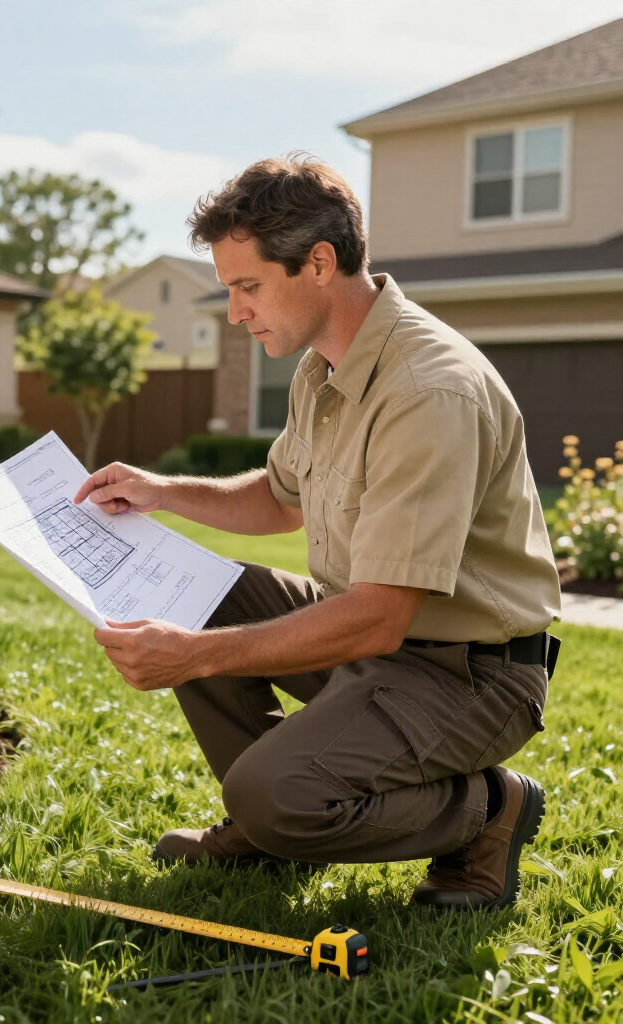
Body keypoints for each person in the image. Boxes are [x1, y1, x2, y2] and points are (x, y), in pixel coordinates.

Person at [73, 155, 561, 910]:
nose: (236, 311)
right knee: (212, 594)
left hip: (471, 673)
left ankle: (488, 813)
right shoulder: (323, 367)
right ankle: (272, 829)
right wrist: (160, 491)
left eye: (247, 286)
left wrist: (195, 657)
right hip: (388, 646)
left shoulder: (428, 391)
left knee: (272, 787)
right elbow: (278, 496)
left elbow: (379, 615)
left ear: (320, 263)